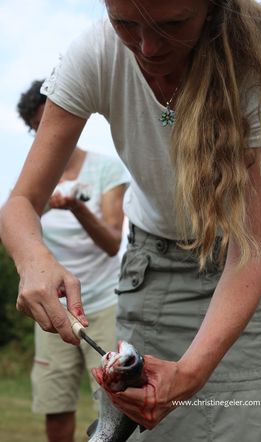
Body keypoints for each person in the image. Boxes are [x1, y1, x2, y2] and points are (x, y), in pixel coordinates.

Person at [1, 1, 261, 440]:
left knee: (253, 424)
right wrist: (32, 258)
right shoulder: (96, 53)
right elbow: (20, 202)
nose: (148, 46)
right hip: (154, 270)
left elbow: (248, 253)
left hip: (253, 272)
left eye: (173, 24)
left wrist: (190, 375)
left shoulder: (255, 64)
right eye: (125, 23)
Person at [16, 80, 129, 442]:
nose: (43, 135)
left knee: (119, 404)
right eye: (36, 129)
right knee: (56, 402)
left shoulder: (106, 170)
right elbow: (18, 226)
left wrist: (79, 209)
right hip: (54, 307)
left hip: (106, 303)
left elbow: (112, 242)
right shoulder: (34, 181)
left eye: (47, 123)